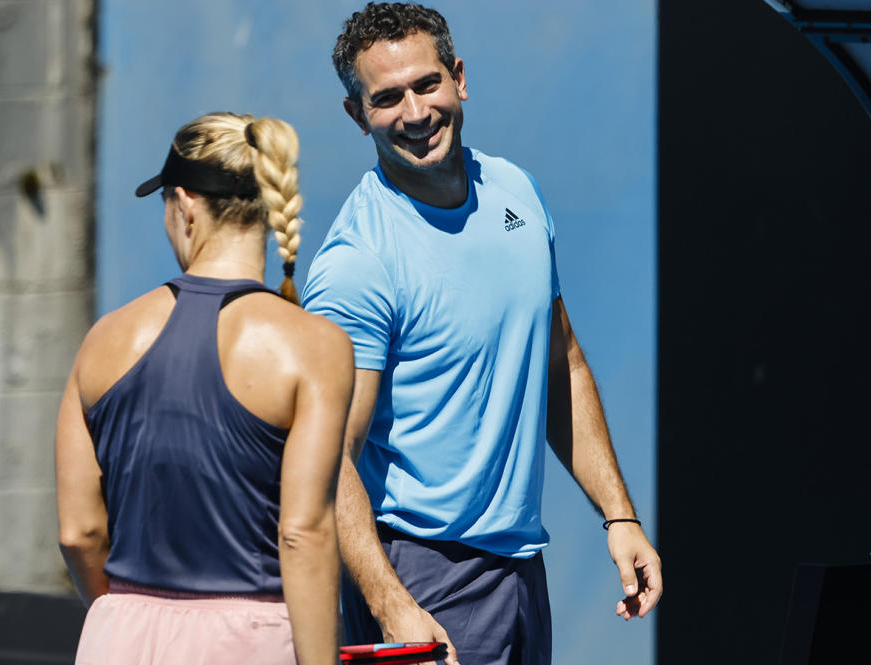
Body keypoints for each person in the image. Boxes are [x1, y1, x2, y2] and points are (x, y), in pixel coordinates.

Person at [302, 4, 663, 665]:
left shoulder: (516, 194)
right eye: (386, 98)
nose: (414, 113)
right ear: (358, 115)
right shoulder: (359, 262)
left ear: (459, 78)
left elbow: (563, 365)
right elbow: (328, 461)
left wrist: (620, 515)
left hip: (521, 565)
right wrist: (391, 602)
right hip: (421, 571)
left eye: (426, 84)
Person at [55, 112, 353, 665]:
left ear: (185, 205)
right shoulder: (314, 345)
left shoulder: (104, 340)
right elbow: (304, 533)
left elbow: (78, 533)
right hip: (253, 639)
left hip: (119, 639)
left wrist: (125, 618)